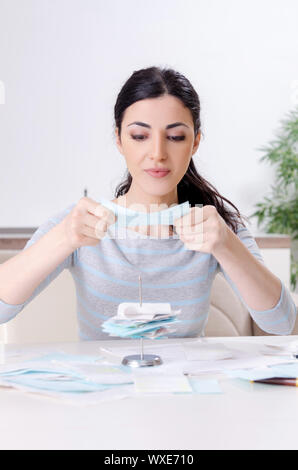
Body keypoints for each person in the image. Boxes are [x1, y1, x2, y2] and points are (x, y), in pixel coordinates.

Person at [0, 66, 296, 340]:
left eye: (176, 137)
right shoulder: (80, 225)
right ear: (118, 139)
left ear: (195, 142)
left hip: (188, 391)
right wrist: (63, 239)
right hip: (104, 391)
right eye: (140, 135)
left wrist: (227, 246)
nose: (157, 153)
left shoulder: (216, 226)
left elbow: (282, 324)